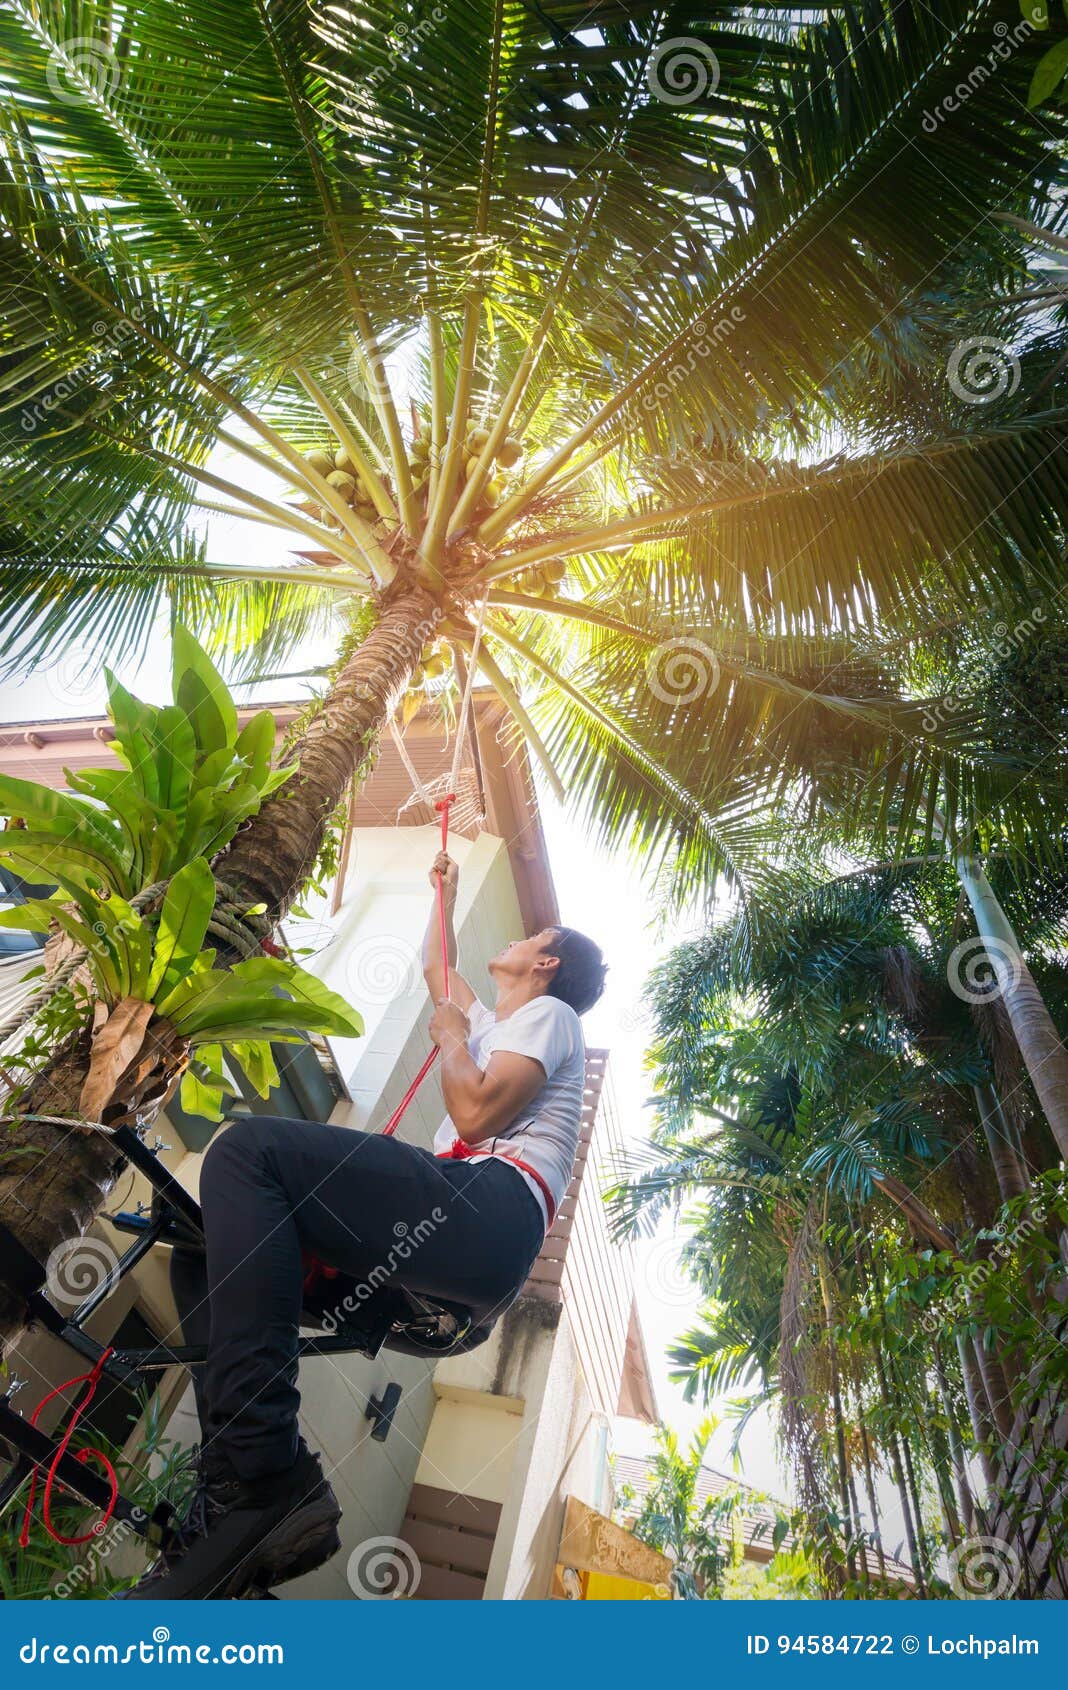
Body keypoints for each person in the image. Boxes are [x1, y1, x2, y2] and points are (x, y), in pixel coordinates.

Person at [120, 850, 606, 1599]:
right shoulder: (493, 1023)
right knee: (203, 1250)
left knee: (250, 1153)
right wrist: (439, 893)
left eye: (531, 935)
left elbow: (476, 1113)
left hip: (491, 1213)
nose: (512, 944)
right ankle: (233, 1505)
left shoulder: (551, 1017)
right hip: (459, 1273)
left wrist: (448, 1037)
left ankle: (262, 1475)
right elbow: (437, 974)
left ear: (545, 961)